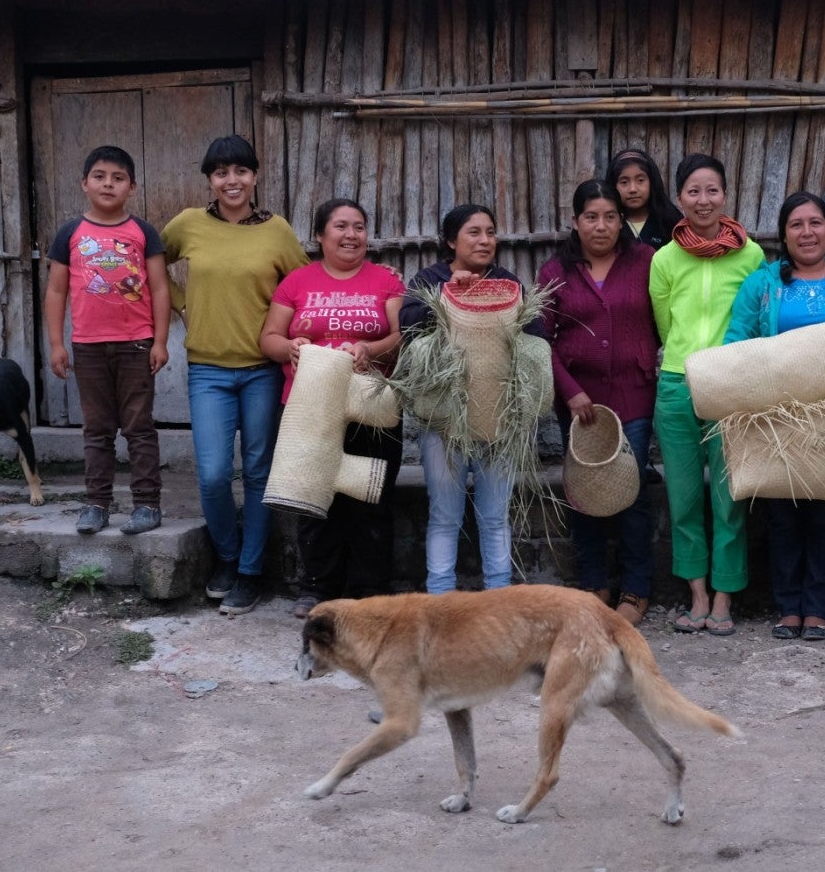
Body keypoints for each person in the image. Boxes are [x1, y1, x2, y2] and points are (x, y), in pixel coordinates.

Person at [161, 135, 308, 615]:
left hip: (263, 369)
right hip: (208, 370)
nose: (232, 181)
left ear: (255, 177)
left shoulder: (277, 231)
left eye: (241, 171)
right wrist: (182, 306)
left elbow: (303, 287)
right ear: (209, 179)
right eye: (221, 172)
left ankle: (249, 571)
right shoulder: (188, 224)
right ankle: (226, 557)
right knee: (214, 474)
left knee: (260, 472)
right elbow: (149, 265)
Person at [724, 192, 825, 641]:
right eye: (796, 225)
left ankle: (820, 609)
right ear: (783, 234)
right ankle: (788, 607)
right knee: (782, 512)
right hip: (778, 417)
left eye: (815, 223)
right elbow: (739, 338)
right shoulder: (763, 284)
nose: (807, 233)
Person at [260, 198, 405, 618]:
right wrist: (290, 347)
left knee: (370, 496)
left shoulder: (386, 282)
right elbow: (268, 338)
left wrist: (369, 348)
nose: (350, 235)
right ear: (320, 235)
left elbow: (402, 334)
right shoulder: (297, 282)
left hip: (372, 408)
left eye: (359, 227)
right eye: (340, 226)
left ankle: (371, 591)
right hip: (310, 410)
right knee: (314, 496)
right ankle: (318, 588)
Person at [400, 204, 543, 594]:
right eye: (474, 233)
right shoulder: (429, 280)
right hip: (444, 421)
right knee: (444, 515)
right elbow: (409, 326)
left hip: (499, 418)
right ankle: (440, 599)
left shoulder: (508, 283)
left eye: (491, 232)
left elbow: (535, 335)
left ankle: (498, 597)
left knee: (495, 516)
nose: (485, 241)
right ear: (451, 241)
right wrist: (446, 295)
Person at [649, 153, 764, 636]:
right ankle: (696, 593)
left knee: (727, 495)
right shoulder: (664, 259)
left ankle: (724, 596)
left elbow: (755, 320)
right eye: (693, 191)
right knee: (682, 496)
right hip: (677, 382)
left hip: (729, 381)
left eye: (712, 190)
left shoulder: (752, 256)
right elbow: (664, 324)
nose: (703, 200)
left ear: (725, 196)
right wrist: (684, 361)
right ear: (679, 199)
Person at [538, 180, 659, 625]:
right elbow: (539, 338)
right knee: (583, 494)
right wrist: (569, 391)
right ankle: (591, 585)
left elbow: (666, 320)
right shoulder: (556, 272)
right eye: (591, 217)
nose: (602, 225)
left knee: (633, 492)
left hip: (633, 395)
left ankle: (635, 589)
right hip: (580, 404)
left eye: (610, 216)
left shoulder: (646, 262)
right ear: (575, 221)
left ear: (621, 220)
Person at [43, 145, 170, 536]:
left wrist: (160, 341)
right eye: (99, 176)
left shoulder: (142, 232)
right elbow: (56, 292)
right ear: (84, 184)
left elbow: (160, 288)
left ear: (131, 186)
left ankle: (147, 505)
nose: (108, 184)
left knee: (139, 427)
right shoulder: (70, 233)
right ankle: (97, 504)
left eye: (118, 178)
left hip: (136, 344)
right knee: (96, 429)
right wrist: (56, 344)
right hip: (88, 346)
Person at [606, 148, 683, 251]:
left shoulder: (671, 222)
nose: (633, 189)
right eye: (624, 182)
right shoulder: (606, 224)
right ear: (613, 186)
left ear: (652, 182)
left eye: (640, 180)